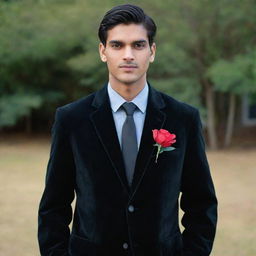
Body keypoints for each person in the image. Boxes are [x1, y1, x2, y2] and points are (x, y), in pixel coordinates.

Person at [38, 4, 217, 256]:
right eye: (117, 45)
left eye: (138, 45)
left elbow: (201, 204)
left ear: (152, 51)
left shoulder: (183, 118)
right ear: (103, 51)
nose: (128, 55)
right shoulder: (71, 119)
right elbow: (53, 207)